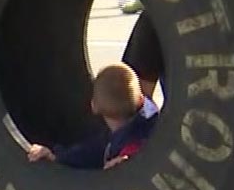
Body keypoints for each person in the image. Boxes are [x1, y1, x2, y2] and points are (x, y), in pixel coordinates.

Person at [26, 63, 158, 171]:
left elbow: (86, 154)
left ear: (94, 106)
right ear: (141, 99)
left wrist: (54, 156)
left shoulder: (119, 146)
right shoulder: (154, 121)